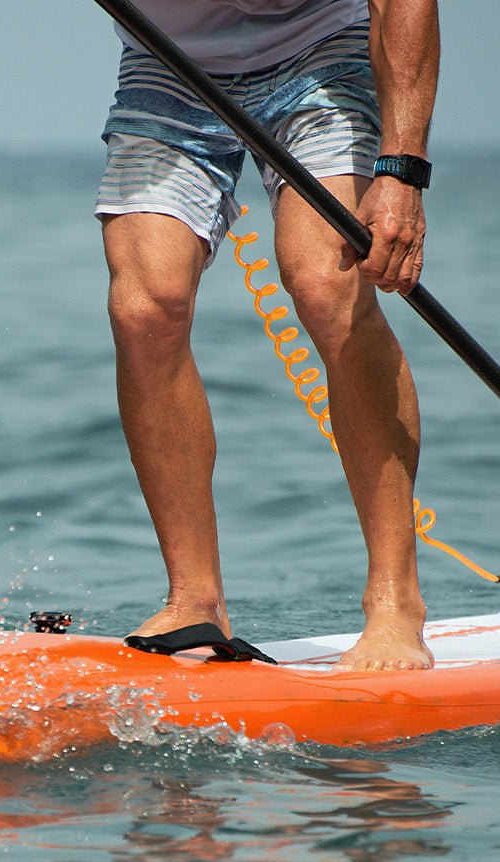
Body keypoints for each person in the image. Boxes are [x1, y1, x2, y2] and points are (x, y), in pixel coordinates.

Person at [96, 0, 438, 670]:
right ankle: (195, 602)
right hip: (168, 62)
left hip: (321, 52)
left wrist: (401, 172)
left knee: (326, 285)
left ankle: (397, 602)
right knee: (143, 308)